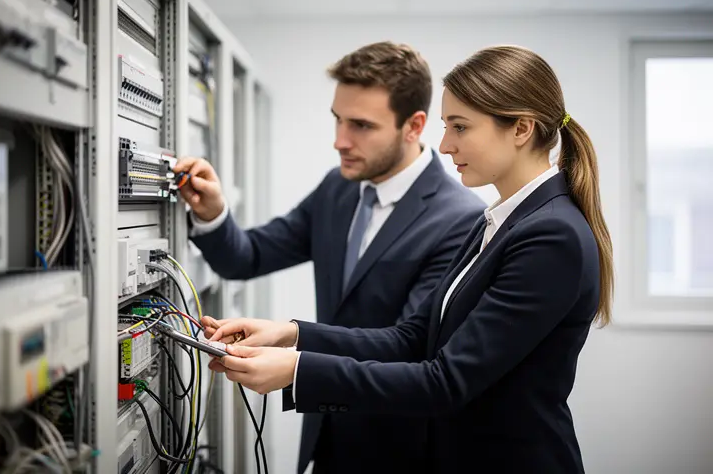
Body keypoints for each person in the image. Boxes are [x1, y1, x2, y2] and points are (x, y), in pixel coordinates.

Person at [203, 45, 615, 473]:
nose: (446, 145)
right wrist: (290, 335)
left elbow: (447, 381)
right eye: (446, 126)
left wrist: (297, 370)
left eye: (460, 127)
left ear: (521, 129)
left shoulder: (552, 236)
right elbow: (412, 338)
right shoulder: (500, 220)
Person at [173, 41, 485, 474]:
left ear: (413, 126)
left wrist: (293, 357)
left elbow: (412, 349)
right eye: (338, 119)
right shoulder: (337, 190)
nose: (340, 141)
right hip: (328, 431)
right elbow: (247, 257)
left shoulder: (459, 218)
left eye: (361, 125)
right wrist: (212, 213)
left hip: (399, 446)